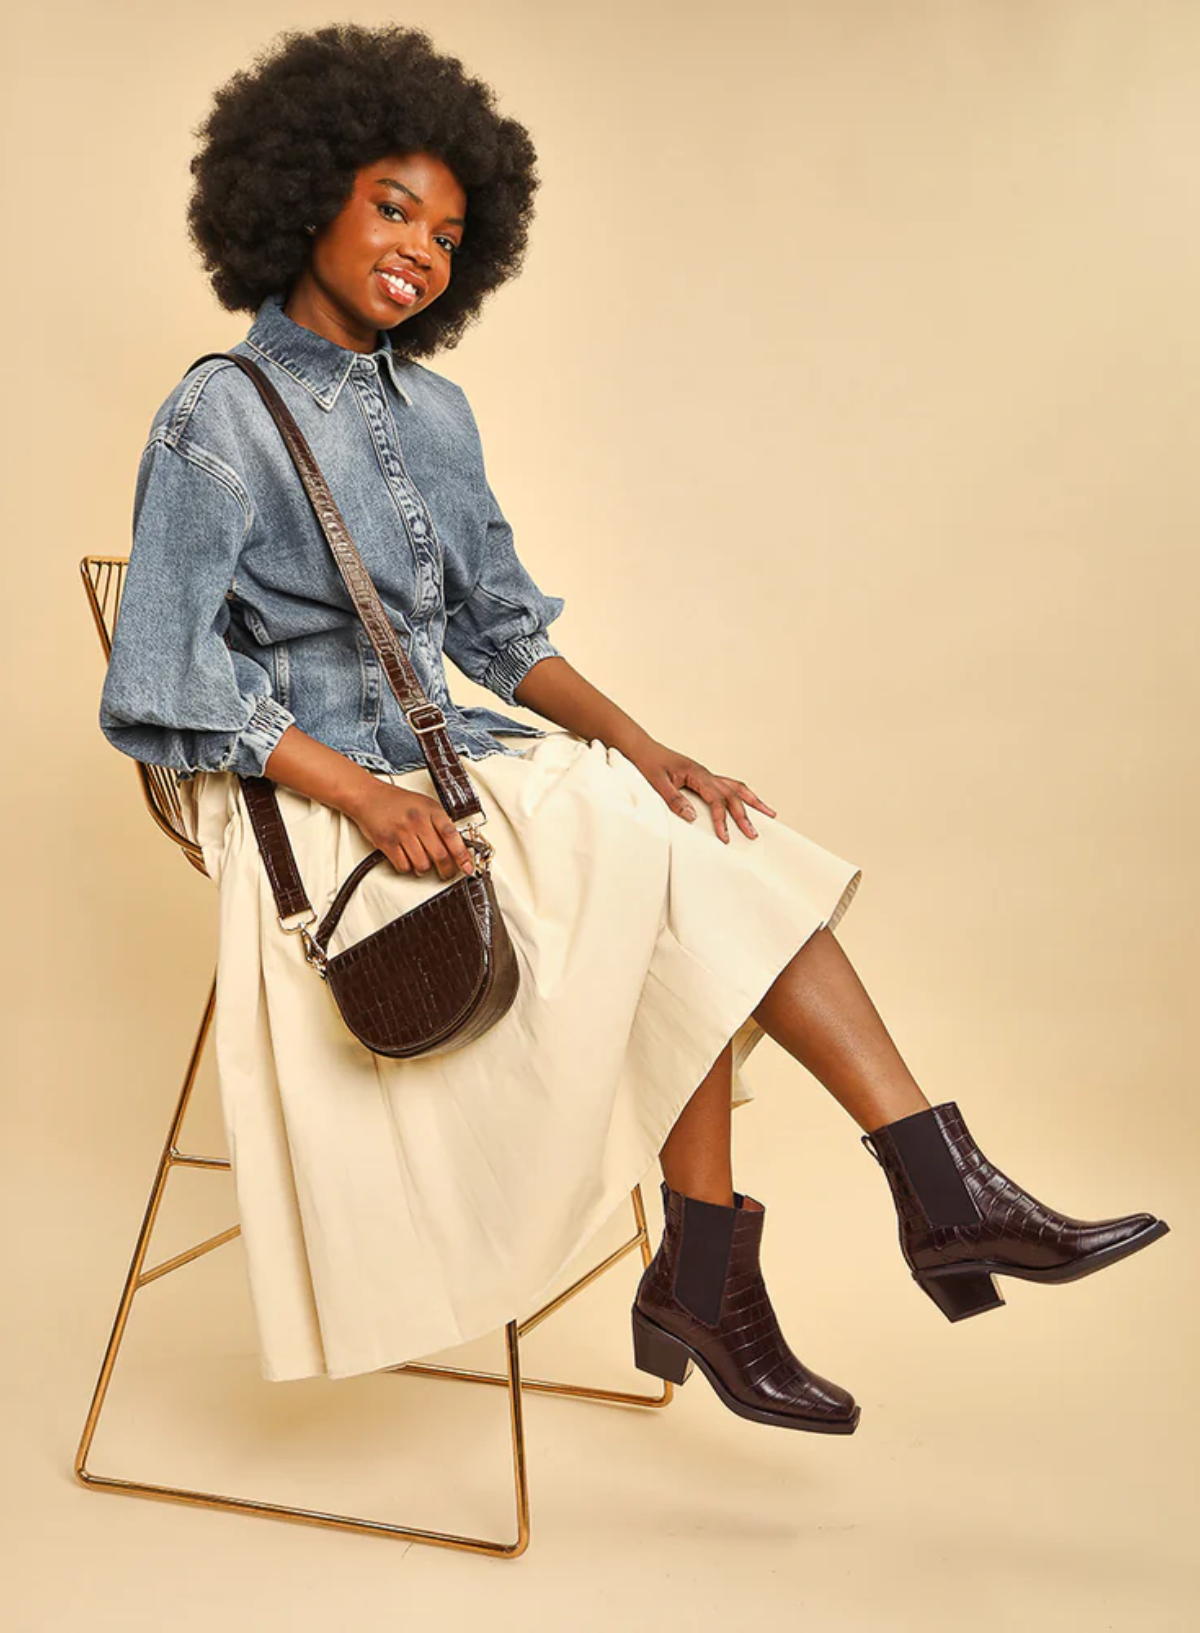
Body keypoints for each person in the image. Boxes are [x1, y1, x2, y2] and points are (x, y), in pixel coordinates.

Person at [98, 23, 1169, 1430]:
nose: (420, 249)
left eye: (449, 233)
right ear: (304, 195)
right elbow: (162, 684)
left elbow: (499, 630)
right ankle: (828, 1228)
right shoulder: (216, 415)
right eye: (393, 207)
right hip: (308, 794)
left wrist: (650, 751)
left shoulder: (437, 413)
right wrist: (360, 795)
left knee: (690, 833)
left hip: (454, 760)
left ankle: (819, 1229)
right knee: (665, 863)